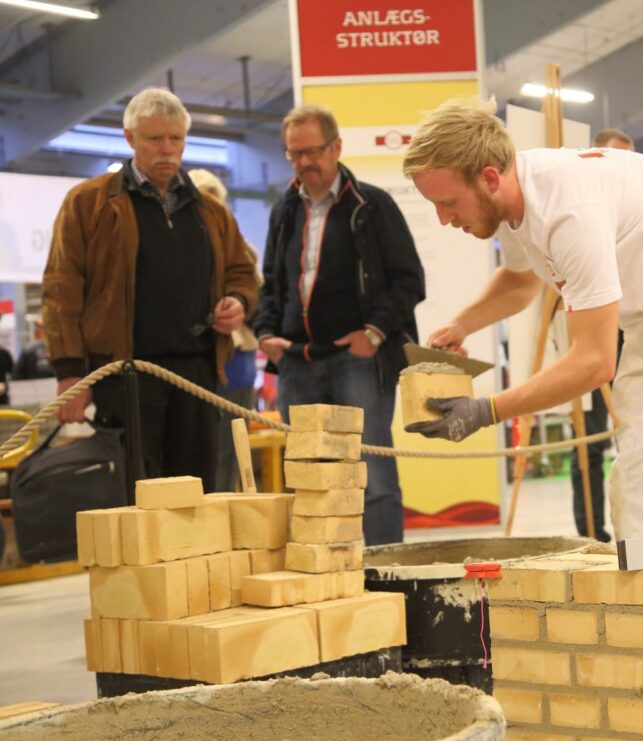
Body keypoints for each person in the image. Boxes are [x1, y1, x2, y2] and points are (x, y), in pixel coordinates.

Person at [401, 97, 643, 539]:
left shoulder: (569, 211)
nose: (444, 219)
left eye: (448, 202)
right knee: (637, 486)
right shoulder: (516, 197)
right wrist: (462, 325)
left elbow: (594, 362)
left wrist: (487, 411)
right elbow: (520, 283)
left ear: (489, 178)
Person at [42, 88, 258, 489]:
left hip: (198, 375)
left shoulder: (210, 211)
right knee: (134, 497)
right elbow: (61, 289)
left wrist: (239, 301)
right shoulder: (87, 203)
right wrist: (70, 374)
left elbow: (242, 272)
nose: (167, 149)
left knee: (198, 494)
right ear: (130, 138)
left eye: (176, 138)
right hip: (123, 374)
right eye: (155, 139)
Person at [256, 105, 426, 546]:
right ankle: (323, 574)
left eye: (312, 152)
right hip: (296, 363)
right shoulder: (283, 210)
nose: (303, 162)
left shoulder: (372, 205)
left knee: (374, 478)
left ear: (336, 148)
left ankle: (386, 574)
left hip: (359, 362)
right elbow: (271, 281)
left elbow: (409, 281)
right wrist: (265, 334)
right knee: (309, 480)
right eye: (294, 154)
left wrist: (373, 333)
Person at [566, 128, 637, 542]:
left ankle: (639, 529)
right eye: (612, 158)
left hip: (636, 335)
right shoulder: (583, 213)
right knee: (589, 442)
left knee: (638, 435)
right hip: (594, 332)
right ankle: (591, 533)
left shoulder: (638, 211)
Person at [189, 168, 261, 493]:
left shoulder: (243, 251)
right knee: (196, 453)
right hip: (191, 361)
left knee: (232, 453)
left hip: (236, 361)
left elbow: (258, 299)